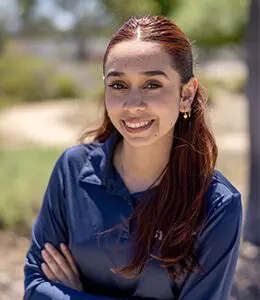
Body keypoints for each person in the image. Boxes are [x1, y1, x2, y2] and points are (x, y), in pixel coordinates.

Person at [24, 15, 243, 300]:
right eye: (118, 85)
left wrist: (73, 295)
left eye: (152, 84)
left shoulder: (217, 205)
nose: (133, 105)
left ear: (186, 94)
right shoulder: (72, 170)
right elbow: (35, 288)